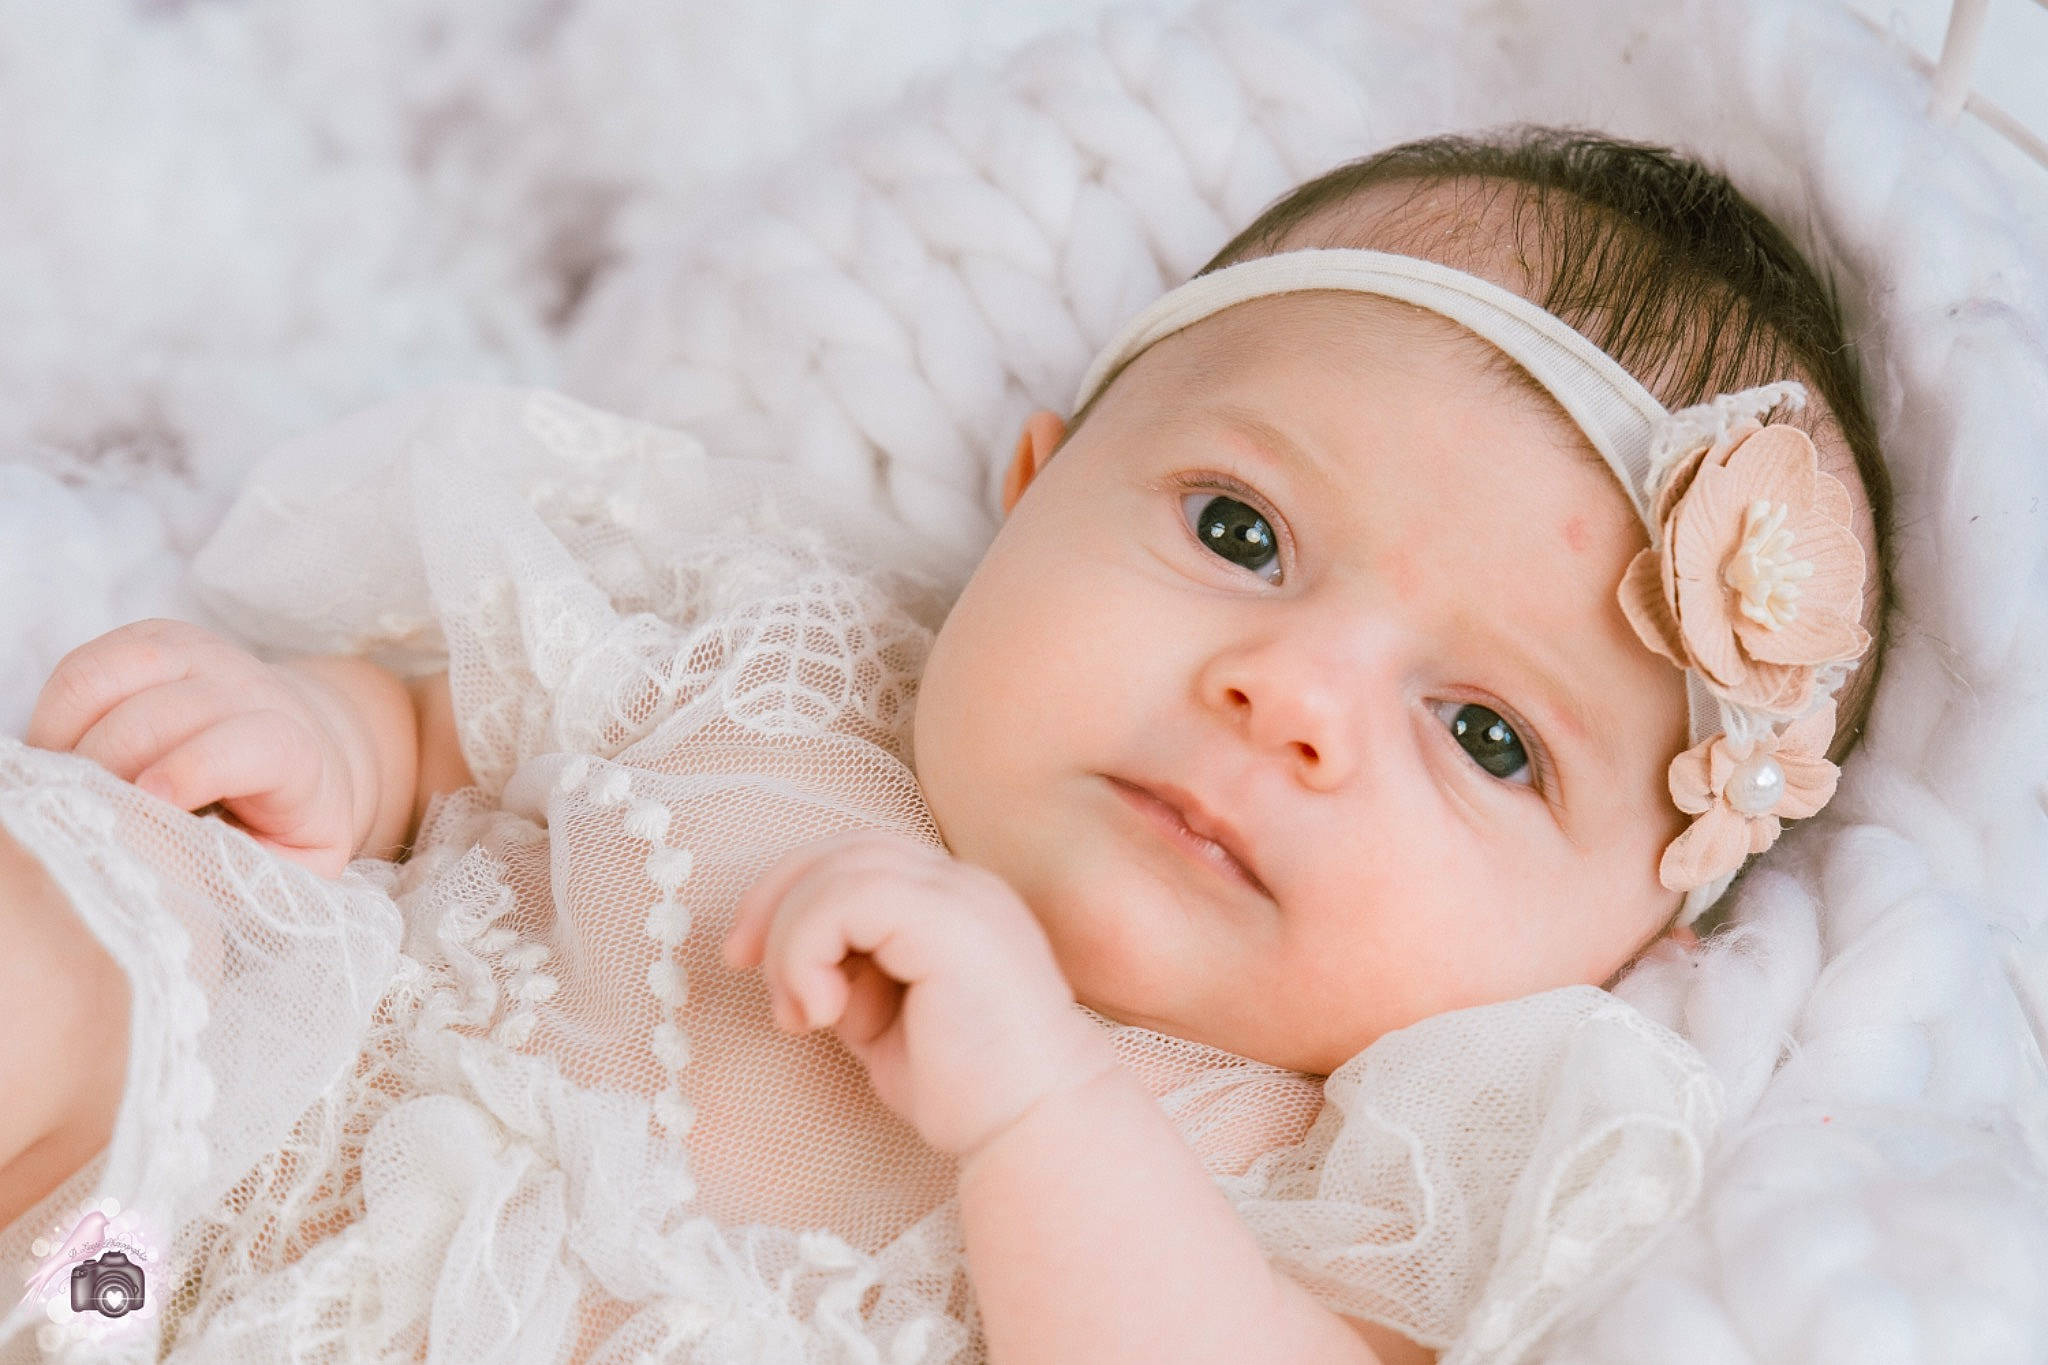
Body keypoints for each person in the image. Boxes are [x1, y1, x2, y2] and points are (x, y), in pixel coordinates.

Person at [0, 127, 1889, 1363]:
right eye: (1239, 534)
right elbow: (472, 712)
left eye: (1486, 734)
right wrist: (338, 739)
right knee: (93, 929)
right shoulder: (787, 643)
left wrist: (1044, 1115)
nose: (1292, 701)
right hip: (162, 1245)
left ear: (1635, 933)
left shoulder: (1351, 1168)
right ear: (1034, 493)